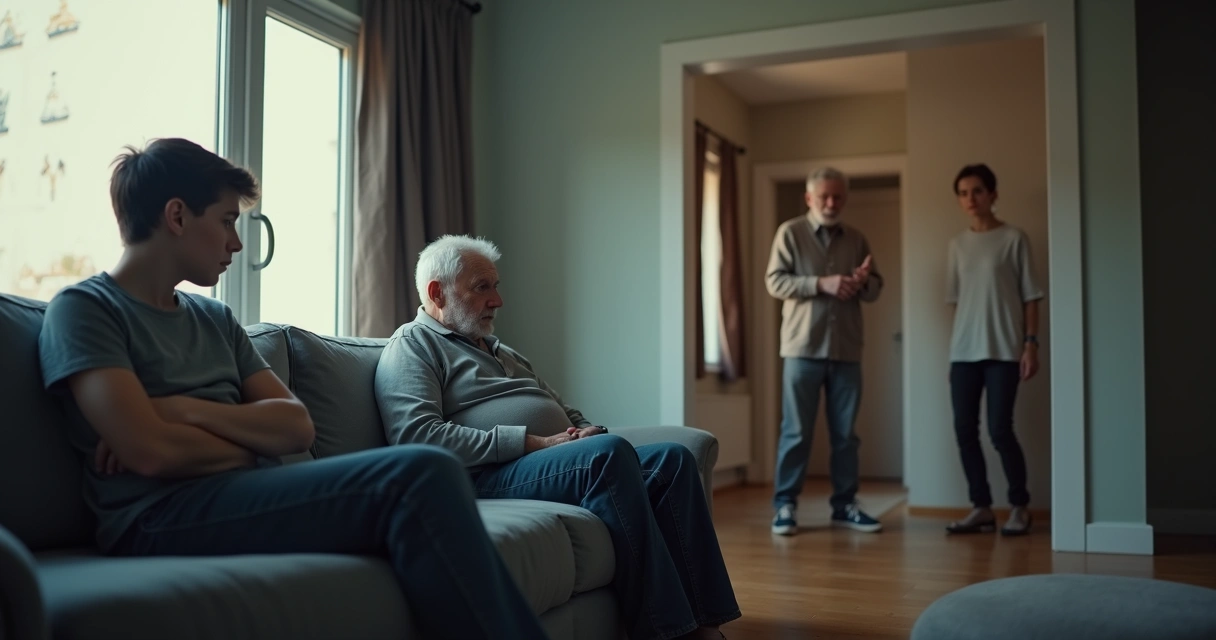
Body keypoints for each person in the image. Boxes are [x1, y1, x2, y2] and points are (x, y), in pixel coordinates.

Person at [37, 138, 550, 640]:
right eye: (226, 221)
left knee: (422, 478)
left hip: (238, 493)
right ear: (176, 217)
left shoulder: (215, 319)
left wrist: (178, 409)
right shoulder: (86, 310)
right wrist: (246, 440)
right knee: (418, 472)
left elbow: (295, 427)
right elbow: (150, 451)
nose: (236, 243)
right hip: (155, 517)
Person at [373, 235, 741, 640]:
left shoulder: (502, 351)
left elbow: (564, 409)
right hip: (485, 476)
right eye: (483, 287)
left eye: (496, 286)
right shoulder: (413, 344)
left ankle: (708, 624)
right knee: (605, 455)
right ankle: (666, 631)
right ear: (436, 292)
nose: (498, 300)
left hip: (546, 465)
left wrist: (584, 430)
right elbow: (416, 436)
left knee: (671, 460)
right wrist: (535, 443)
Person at [765, 167, 884, 536]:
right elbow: (775, 281)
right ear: (809, 198)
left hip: (847, 349)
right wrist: (822, 283)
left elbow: (876, 287)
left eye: (838, 197)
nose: (832, 203)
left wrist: (864, 283)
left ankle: (845, 505)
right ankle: (785, 506)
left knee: (846, 435)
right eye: (824, 197)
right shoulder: (790, 233)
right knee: (796, 432)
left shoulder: (857, 238)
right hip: (802, 348)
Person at [944, 163, 1043, 536]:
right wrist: (952, 355)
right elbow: (956, 304)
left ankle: (1019, 506)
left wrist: (1031, 345)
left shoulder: (1014, 238)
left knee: (1001, 430)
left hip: (1004, 350)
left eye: (978, 191)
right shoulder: (956, 245)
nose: (971, 198)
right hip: (963, 353)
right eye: (964, 193)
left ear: (993, 194)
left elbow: (1031, 297)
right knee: (964, 430)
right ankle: (981, 507)